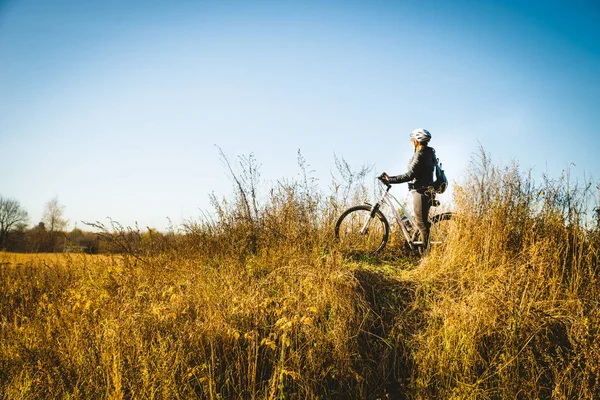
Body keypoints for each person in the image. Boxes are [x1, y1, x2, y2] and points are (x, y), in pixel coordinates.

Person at [380, 128, 437, 251]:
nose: (411, 142)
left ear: (416, 141)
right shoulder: (428, 153)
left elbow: (409, 175)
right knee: (416, 220)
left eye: (412, 140)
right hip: (425, 190)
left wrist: (390, 179)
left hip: (421, 192)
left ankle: (426, 256)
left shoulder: (420, 155)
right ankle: (415, 247)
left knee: (422, 224)